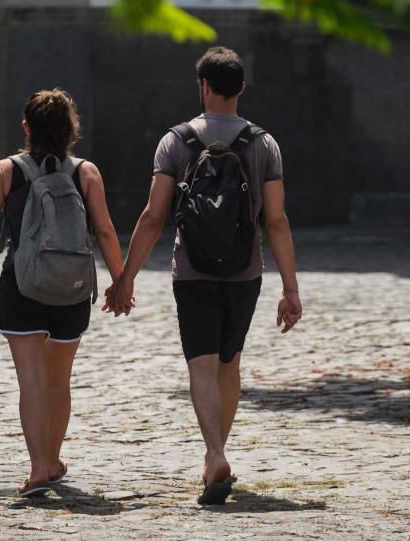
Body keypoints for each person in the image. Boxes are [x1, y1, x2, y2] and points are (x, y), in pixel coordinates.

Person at [108, 46, 302, 506]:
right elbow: (276, 220)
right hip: (245, 272)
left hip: (191, 270)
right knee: (229, 363)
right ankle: (217, 452)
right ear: (240, 89)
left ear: (204, 86)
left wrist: (125, 277)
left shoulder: (175, 142)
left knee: (201, 363)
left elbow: (153, 217)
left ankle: (214, 453)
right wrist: (290, 288)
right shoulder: (263, 144)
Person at [0, 88, 125, 497]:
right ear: (71, 131)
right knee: (59, 381)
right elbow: (106, 230)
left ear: (26, 128)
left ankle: (39, 466)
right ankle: (53, 461)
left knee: (31, 381)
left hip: (22, 286)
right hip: (72, 289)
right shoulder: (86, 172)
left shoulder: (7, 169)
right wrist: (121, 281)